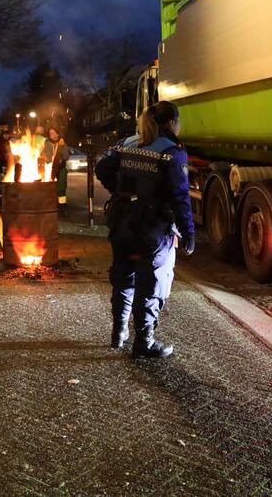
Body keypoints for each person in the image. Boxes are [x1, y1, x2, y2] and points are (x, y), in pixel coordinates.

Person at [95, 101, 194, 358]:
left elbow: (101, 168)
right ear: (171, 123)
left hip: (121, 222)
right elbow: (180, 197)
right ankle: (144, 342)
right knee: (151, 283)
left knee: (123, 276)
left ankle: (118, 334)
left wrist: (119, 193)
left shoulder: (126, 144)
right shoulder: (172, 153)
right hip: (153, 229)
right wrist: (188, 232)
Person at [41, 127, 70, 208]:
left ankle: (62, 207)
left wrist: (61, 157)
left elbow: (66, 156)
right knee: (49, 187)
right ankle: (50, 205)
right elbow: (42, 154)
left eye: (53, 133)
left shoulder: (62, 143)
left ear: (57, 134)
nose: (52, 135)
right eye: (50, 133)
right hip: (49, 169)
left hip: (61, 169)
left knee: (61, 188)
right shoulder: (46, 143)